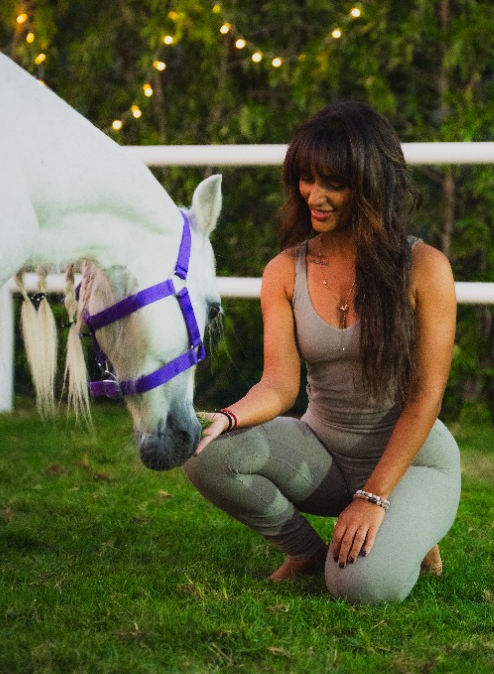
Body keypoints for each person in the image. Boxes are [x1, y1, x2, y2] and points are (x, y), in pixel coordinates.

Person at [183, 101, 460, 604]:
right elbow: (280, 385)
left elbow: (425, 399)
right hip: (325, 454)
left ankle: (409, 527)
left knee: (361, 587)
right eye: (306, 179)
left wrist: (374, 498)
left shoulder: (425, 268)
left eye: (334, 182)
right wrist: (227, 417)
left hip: (414, 464)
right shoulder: (285, 271)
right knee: (203, 450)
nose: (315, 195)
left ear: (372, 184)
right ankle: (306, 551)